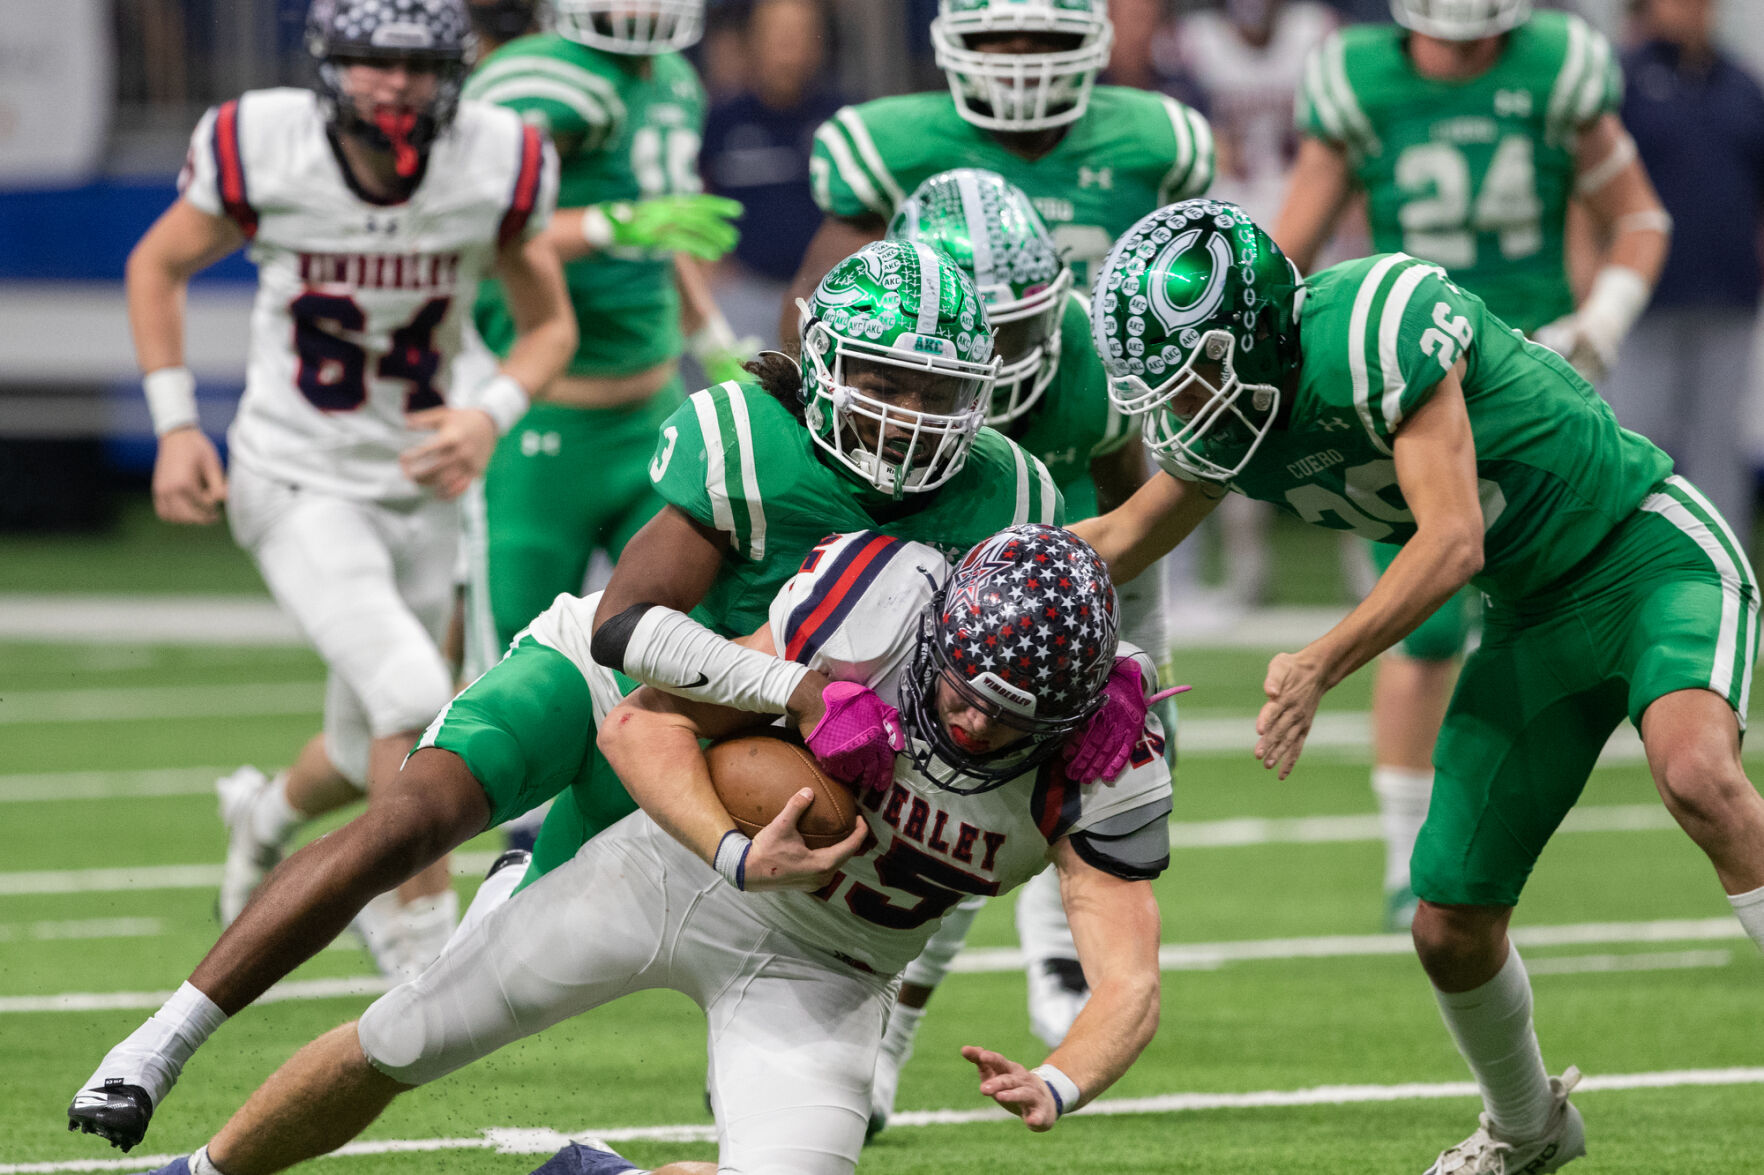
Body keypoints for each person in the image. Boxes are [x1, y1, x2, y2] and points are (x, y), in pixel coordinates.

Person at [63, 239, 1124, 1154]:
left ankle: (539, 885)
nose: (910, 415)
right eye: (888, 384)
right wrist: (796, 686)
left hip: (714, 756)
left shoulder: (1011, 488)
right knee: (413, 817)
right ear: (830, 364)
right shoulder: (749, 432)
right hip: (607, 678)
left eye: (938, 392)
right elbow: (628, 623)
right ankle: (158, 1040)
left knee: (446, 1005)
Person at [128, 524, 1171, 1175]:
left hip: (831, 974)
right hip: (673, 876)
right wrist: (728, 847)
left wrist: (1062, 1079)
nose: (975, 727)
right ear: (939, 631)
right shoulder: (874, 615)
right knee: (405, 1034)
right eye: (960, 690)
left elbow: (1127, 975)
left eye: (1008, 716)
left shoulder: (1103, 752)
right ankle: (204, 1170)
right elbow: (642, 724)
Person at [1079, 198, 1764, 1174]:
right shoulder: (1233, 420)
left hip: (1645, 549)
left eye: (1195, 380)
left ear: (1263, 329)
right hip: (1531, 617)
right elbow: (1119, 536)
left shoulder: (1372, 324)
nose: (1183, 411)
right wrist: (953, 582)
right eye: (1166, 391)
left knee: (1695, 769)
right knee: (1449, 926)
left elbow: (1451, 541)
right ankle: (1528, 1127)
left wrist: (1322, 660)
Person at [64, 0, 578, 1152]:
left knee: (366, 747)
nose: (394, 86)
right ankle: (423, 939)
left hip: (422, 482)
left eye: (415, 64)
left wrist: (489, 411)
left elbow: (548, 323)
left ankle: (266, 810)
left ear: (451, 72)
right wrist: (173, 423)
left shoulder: (496, 155)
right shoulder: (270, 144)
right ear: (329, 66)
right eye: (371, 61)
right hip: (295, 476)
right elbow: (157, 265)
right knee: (412, 697)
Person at [1273, 0, 1672, 930]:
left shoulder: (1558, 68)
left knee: (1567, 589)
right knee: (1422, 625)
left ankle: (1482, 838)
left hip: (1528, 382)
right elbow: (1289, 248)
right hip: (1402, 379)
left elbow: (1639, 217)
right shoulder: (1358, 79)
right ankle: (1404, 856)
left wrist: (1600, 324)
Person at [866, 166, 1152, 1134]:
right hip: (898, 615)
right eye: (990, 336)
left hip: (1039, 625)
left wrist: (1126, 652)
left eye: (1028, 328)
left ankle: (1035, 969)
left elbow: (1129, 501)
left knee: (982, 814)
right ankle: (848, 1020)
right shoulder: (879, 376)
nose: (1016, 357)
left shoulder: (1087, 366)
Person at [454, 0, 749, 684]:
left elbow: (664, 230)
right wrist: (609, 225)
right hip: (547, 420)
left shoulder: (675, 78)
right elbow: (480, 226)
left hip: (654, 410)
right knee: (506, 668)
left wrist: (710, 338)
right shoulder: (536, 77)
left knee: (696, 644)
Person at [787, 0, 1214, 325]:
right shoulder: (892, 149)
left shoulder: (1152, 142)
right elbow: (822, 315)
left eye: (1046, 39)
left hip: (1108, 396)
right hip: (949, 395)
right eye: (998, 38)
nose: (1022, 58)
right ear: (956, 38)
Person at [1605, 0, 1764, 551]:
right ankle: (1630, 571)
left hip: (1728, 294)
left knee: (1720, 447)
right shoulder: (1621, 79)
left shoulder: (1742, 85)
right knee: (1636, 439)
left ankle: (1723, 571)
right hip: (1642, 298)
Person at [698, 0, 846, 348]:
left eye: (799, 35)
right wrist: (707, 263)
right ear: (751, 42)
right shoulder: (718, 122)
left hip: (829, 297)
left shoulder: (845, 123)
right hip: (741, 293)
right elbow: (691, 191)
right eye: (777, 36)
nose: (788, 49)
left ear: (819, 43)